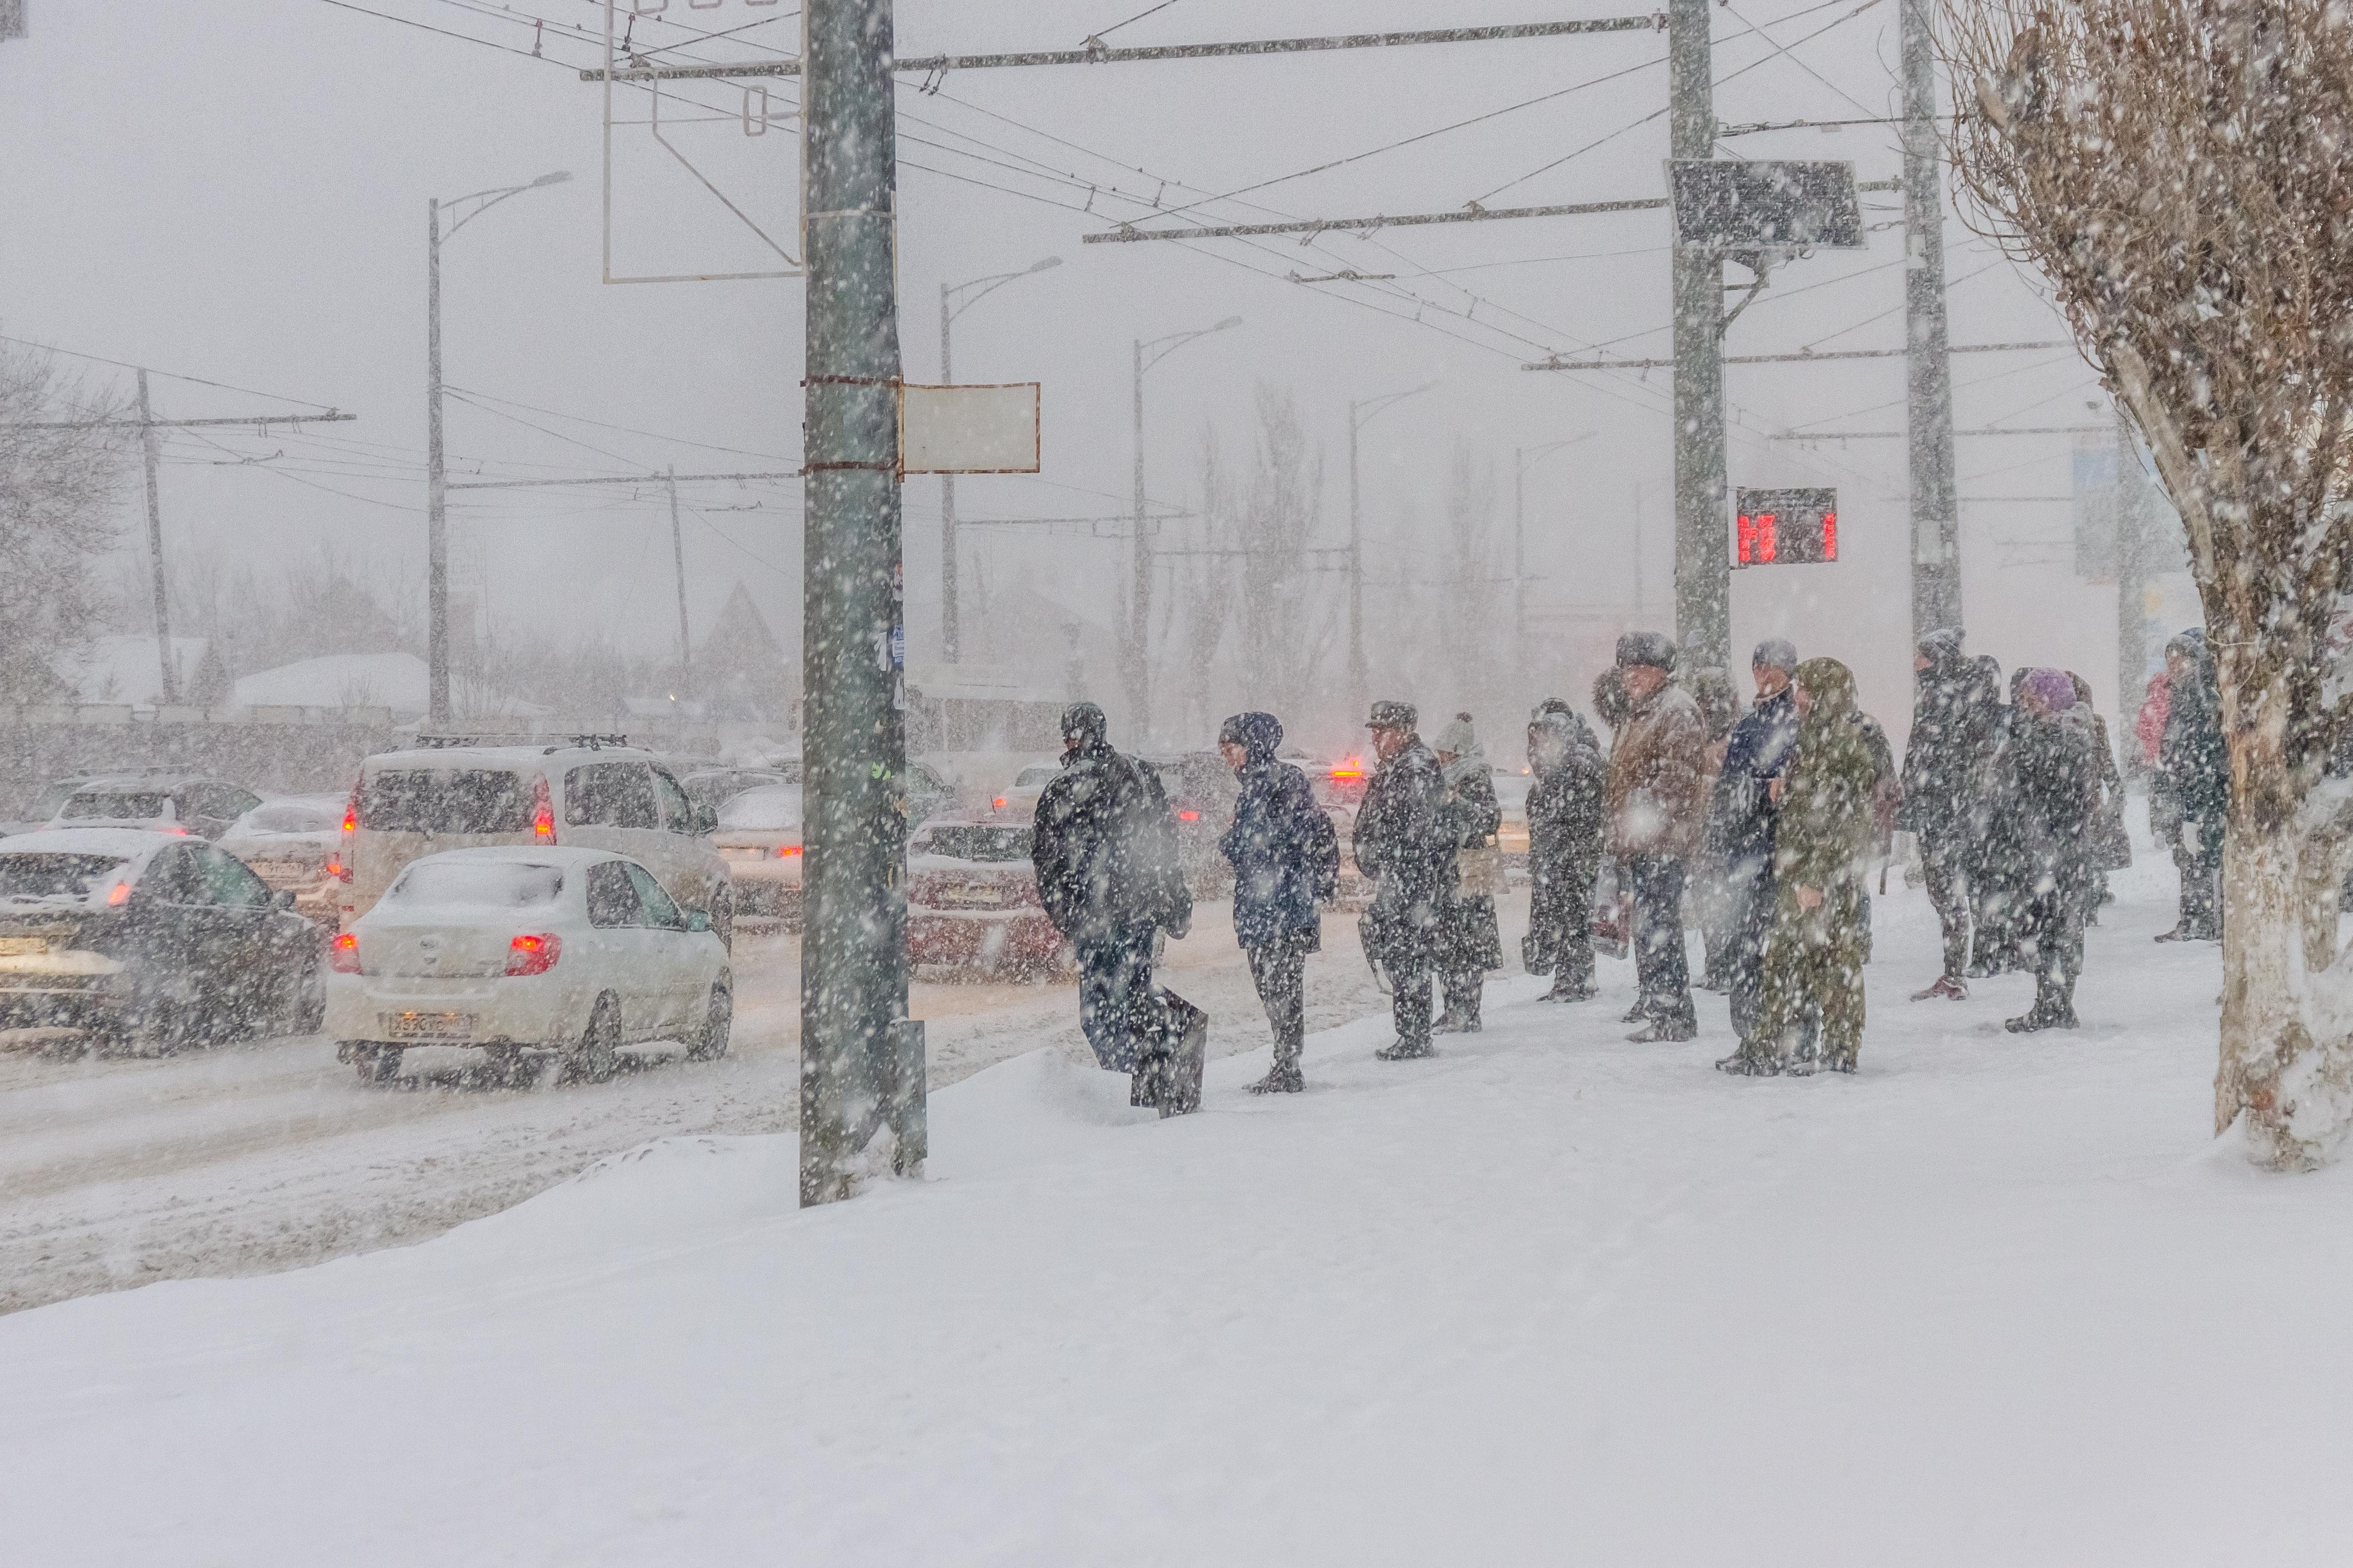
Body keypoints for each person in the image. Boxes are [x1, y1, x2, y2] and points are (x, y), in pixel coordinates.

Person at [1722, 657, 1878, 1075]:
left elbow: (1841, 822)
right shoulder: (1815, 738)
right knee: (1789, 963)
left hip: (1821, 877)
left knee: (1830, 967)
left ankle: (1835, 1052)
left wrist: (1815, 878)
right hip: (1803, 873)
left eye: (1806, 688)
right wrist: (1783, 790)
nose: (1799, 696)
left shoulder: (1838, 744)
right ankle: (1772, 1048)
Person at [1031, 702, 1192, 1073]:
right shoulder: (1139, 773)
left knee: (1100, 1017)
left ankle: (1126, 1083)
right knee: (1134, 1000)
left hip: (1097, 918)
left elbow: (1048, 860)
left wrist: (1069, 916)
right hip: (1141, 911)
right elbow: (1164, 841)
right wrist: (1174, 898)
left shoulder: (1065, 786)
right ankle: (1151, 1072)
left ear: (1072, 737)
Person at [1216, 711, 1339, 1094]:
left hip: (1279, 905)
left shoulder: (1276, 783)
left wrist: (1230, 838)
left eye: (1231, 746)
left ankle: (1288, 1065)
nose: (1226, 755)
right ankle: (1285, 1061)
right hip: (1267, 904)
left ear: (1253, 745)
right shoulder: (1260, 784)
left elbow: (1264, 842)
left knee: (1280, 986)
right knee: (1273, 986)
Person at [1606, 632, 1707, 1042]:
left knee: (1658, 928)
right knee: (1647, 929)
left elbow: (1676, 781)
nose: (1631, 675)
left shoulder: (1676, 710)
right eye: (1626, 668)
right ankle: (1659, 1005)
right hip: (1640, 841)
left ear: (1661, 672)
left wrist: (1638, 815)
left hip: (1663, 841)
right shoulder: (1639, 712)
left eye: (1640, 668)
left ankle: (1673, 1016)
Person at [1709, 638, 1802, 1049]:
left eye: (1773, 667)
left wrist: (1756, 790)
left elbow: (1791, 787)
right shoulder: (1748, 722)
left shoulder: (1794, 719)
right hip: (1743, 849)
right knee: (1743, 946)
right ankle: (1749, 1035)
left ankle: (1771, 1035)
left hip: (1774, 851)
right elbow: (1730, 785)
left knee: (1771, 948)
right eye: (1758, 666)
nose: (1764, 674)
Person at [1352, 700, 1456, 1060]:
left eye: (1381, 731)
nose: (1376, 739)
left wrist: (1391, 858)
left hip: (1409, 880)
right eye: (1374, 732)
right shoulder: (1398, 766)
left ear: (1403, 732)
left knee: (1408, 957)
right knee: (1401, 956)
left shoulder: (1413, 768)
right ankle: (1411, 1033)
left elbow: (1416, 830)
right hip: (1400, 877)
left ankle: (1414, 1035)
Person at [2006, 669, 2103, 1031]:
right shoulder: (2064, 730)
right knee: (2054, 923)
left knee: (2055, 924)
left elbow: (2045, 787)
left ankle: (2054, 1005)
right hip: (2058, 845)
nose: (2026, 702)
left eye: (2033, 696)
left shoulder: (2061, 735)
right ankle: (2052, 1002)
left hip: (2058, 846)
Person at [1899, 628, 1984, 1000]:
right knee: (1947, 892)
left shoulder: (1941, 698)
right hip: (1945, 808)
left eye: (1922, 656)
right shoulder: (1947, 695)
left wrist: (1921, 794)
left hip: (1942, 810)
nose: (1916, 663)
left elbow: (1937, 758)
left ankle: (1954, 974)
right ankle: (1954, 971)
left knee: (1946, 892)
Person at [1525, 707, 1607, 1001]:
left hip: (1573, 857)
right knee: (1568, 918)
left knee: (1573, 918)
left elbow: (1580, 814)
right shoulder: (1567, 761)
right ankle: (1574, 979)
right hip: (1567, 856)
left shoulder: (1577, 762)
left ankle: (1574, 981)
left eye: (1543, 736)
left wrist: (1565, 850)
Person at [1432, 714, 1504, 1032]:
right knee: (1449, 944)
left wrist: (1458, 803)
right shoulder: (1444, 776)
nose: (1442, 757)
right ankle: (1454, 1009)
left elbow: (1490, 819)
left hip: (1468, 871)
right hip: (1450, 872)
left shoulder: (1474, 777)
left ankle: (1467, 1011)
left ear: (1460, 751)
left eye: (1447, 752)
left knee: (1468, 947)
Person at [2153, 630, 2226, 942]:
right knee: (2190, 858)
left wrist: (2197, 806)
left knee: (2209, 857)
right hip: (2189, 791)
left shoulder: (2204, 696)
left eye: (2179, 658)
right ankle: (2196, 919)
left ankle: (2213, 922)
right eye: (2169, 658)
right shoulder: (2183, 693)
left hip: (2207, 794)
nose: (2172, 664)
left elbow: (2205, 753)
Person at [1682, 668, 1745, 991]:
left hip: (1723, 831)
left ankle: (1725, 966)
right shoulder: (1704, 736)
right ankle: (1720, 965)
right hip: (1711, 833)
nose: (1707, 705)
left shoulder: (1731, 737)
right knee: (1712, 902)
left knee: (1721, 903)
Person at [2069, 671, 2134, 916]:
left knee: (2086, 843)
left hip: (2080, 794)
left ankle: (2090, 888)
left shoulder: (2086, 723)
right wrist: (2115, 787)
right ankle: (2094, 887)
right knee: (2091, 843)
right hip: (2089, 793)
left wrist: (2115, 787)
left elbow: (2105, 759)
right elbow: (2106, 760)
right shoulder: (2094, 722)